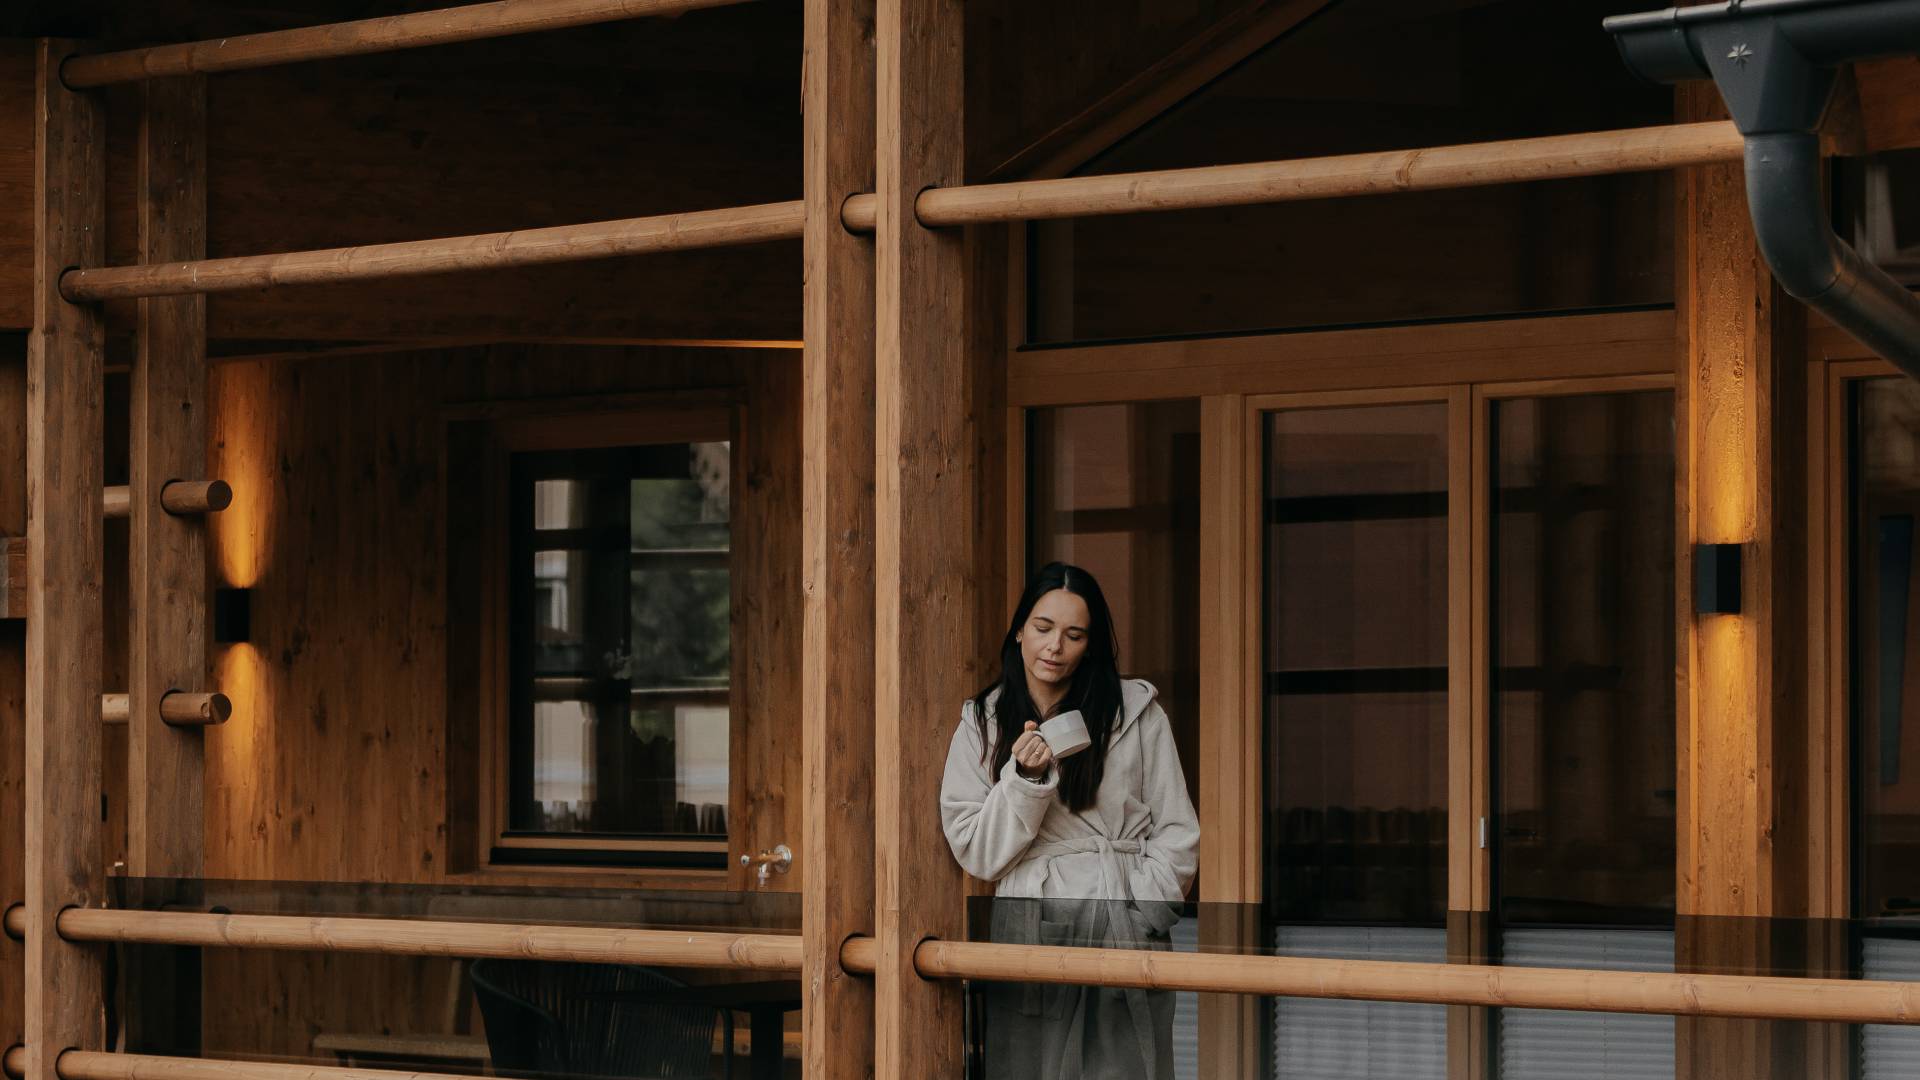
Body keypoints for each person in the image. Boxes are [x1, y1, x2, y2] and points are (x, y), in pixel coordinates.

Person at [940, 561, 1200, 1080]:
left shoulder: (1136, 710)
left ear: (1092, 644)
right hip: (1032, 920)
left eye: (1074, 634)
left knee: (1125, 1068)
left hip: (1125, 915)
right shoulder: (982, 721)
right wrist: (1025, 780)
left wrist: (1143, 905)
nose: (1054, 647)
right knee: (1031, 1068)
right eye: (1042, 628)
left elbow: (1178, 830)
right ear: (1019, 630)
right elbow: (975, 849)